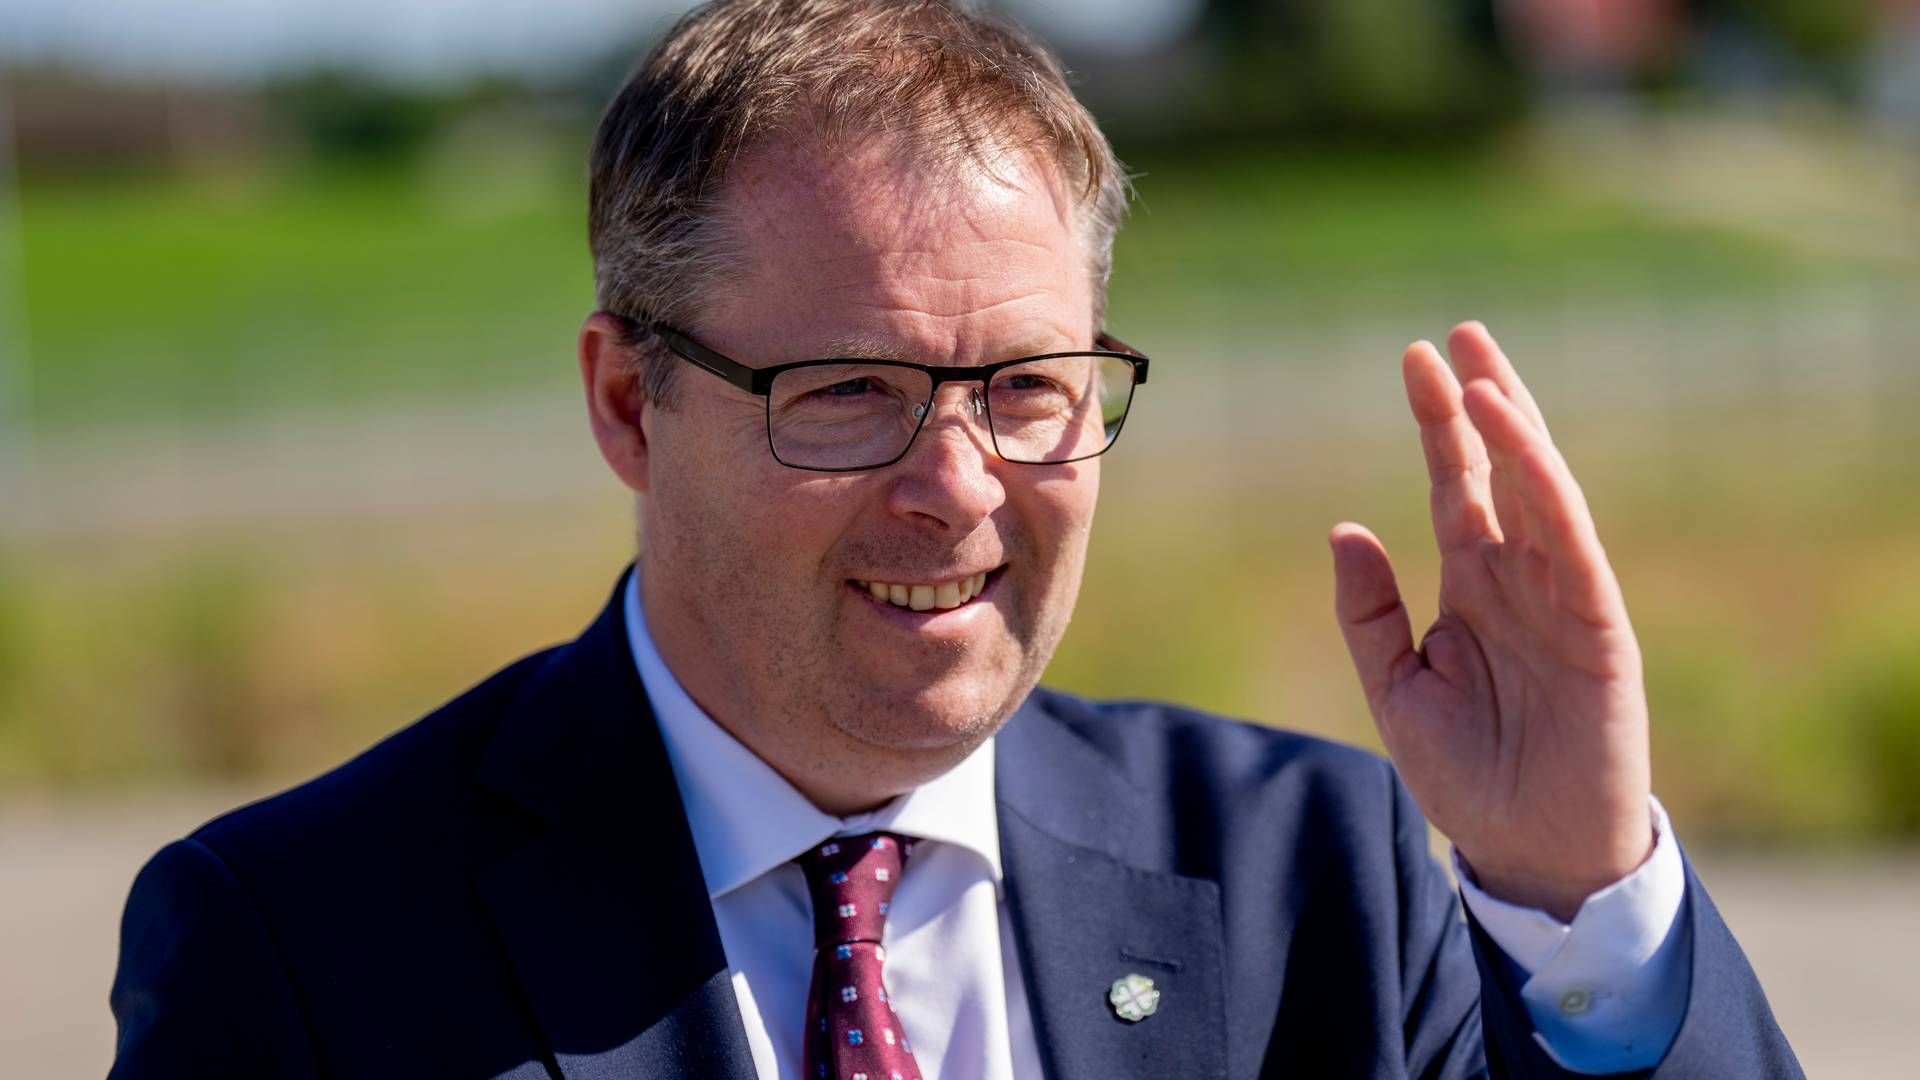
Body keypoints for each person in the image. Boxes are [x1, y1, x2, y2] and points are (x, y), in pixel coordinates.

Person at [107, 1, 1801, 1077]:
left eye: (1025, 388)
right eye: (845, 391)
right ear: (630, 404)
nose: (961, 486)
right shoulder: (301, 945)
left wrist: (1583, 897)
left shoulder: (1308, 877)